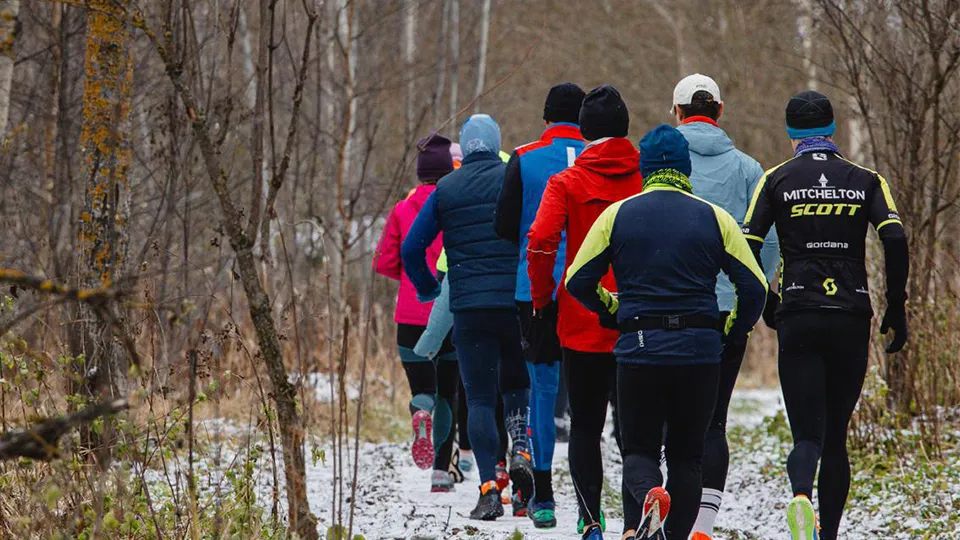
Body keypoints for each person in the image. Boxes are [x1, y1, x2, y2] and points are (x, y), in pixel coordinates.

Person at [565, 124, 768, 540]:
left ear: (644, 169)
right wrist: (733, 328)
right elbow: (755, 287)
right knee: (687, 457)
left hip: (639, 348)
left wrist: (612, 309)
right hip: (699, 350)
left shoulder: (618, 214)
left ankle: (648, 496)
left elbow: (577, 279)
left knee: (638, 449)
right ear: (685, 167)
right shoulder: (716, 217)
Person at [740, 90, 909, 540]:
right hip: (851, 313)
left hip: (798, 312)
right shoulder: (866, 178)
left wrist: (768, 298)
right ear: (832, 130)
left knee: (806, 437)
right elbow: (894, 237)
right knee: (836, 435)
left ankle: (800, 497)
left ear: (791, 133)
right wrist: (897, 304)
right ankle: (828, 536)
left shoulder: (776, 178)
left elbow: (748, 244)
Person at [402, 114, 533, 521]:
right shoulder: (516, 178)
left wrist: (427, 288)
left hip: (469, 308)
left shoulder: (446, 188)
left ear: (465, 146)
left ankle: (489, 489)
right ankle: (521, 450)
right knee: (514, 386)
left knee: (477, 398)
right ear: (496, 144)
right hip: (513, 303)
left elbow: (411, 249)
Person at [527, 85, 643, 540]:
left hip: (582, 321)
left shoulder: (567, 182)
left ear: (585, 130)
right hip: (638, 322)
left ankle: (590, 521)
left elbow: (539, 241)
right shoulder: (647, 175)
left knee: (586, 427)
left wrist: (542, 299)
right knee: (637, 432)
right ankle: (634, 523)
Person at [670, 73, 780, 539]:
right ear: (719, 112)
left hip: (668, 309)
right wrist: (753, 294)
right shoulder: (750, 169)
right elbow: (770, 242)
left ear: (676, 113)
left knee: (669, 415)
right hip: (729, 310)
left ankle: (668, 510)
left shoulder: (657, 161)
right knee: (713, 418)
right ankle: (703, 526)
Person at [494, 82, 587, 527]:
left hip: (536, 288)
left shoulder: (524, 156)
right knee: (592, 398)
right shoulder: (597, 156)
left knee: (542, 392)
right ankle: (594, 503)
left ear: (546, 117)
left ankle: (543, 496)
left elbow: (504, 224)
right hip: (591, 287)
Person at [373, 134, 461, 492]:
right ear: (448, 170)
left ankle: (419, 414)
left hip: (409, 317)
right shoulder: (455, 202)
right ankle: (441, 473)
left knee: (423, 389)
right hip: (451, 314)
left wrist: (411, 280)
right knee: (449, 394)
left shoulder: (401, 208)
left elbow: (384, 261)